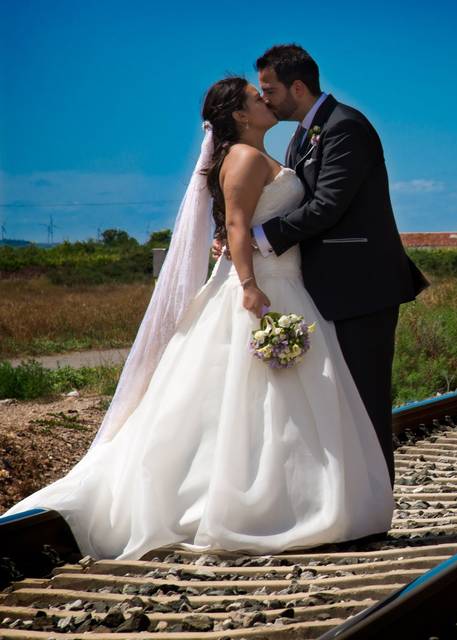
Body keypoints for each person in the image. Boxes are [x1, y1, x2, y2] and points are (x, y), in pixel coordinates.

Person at [1, 76, 395, 560]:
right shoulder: (246, 158)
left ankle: (296, 501)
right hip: (265, 288)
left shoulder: (267, 152)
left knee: (283, 404)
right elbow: (234, 223)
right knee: (259, 400)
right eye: (256, 97)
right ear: (240, 115)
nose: (265, 100)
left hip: (289, 285)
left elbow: (240, 223)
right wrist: (248, 286)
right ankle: (267, 505)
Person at [215, 44, 428, 485]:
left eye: (269, 89)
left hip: (361, 287)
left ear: (297, 86)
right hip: (320, 291)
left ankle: (374, 502)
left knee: (365, 400)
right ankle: (342, 497)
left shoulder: (345, 127)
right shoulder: (302, 135)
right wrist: (234, 236)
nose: (265, 97)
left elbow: (328, 205)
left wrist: (257, 239)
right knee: (334, 404)